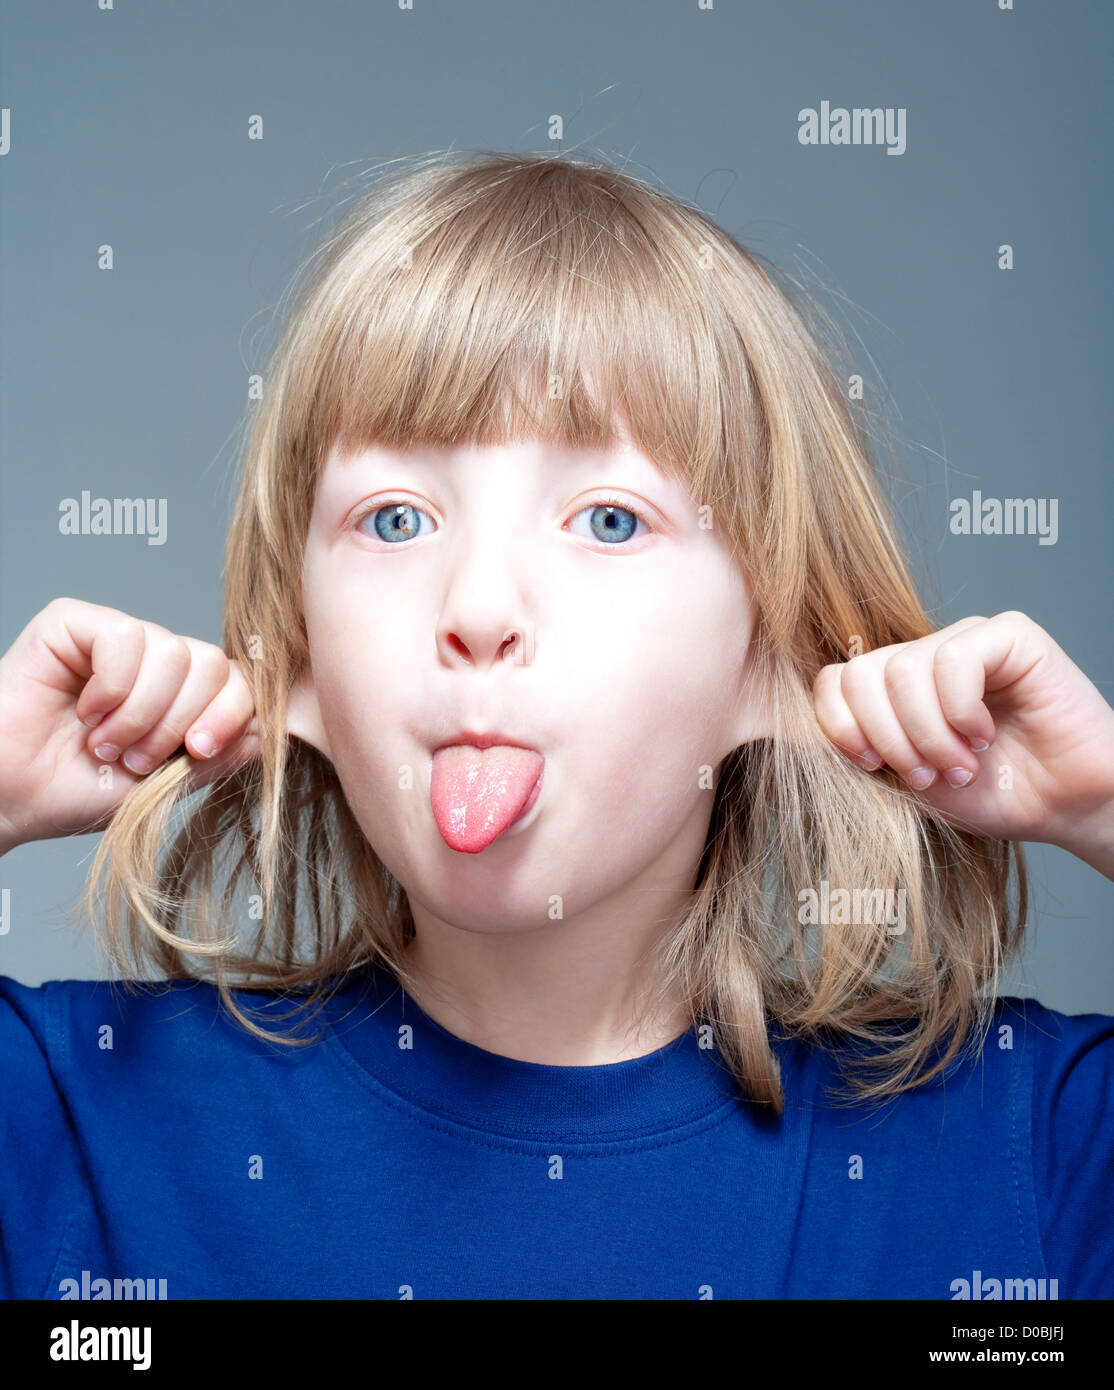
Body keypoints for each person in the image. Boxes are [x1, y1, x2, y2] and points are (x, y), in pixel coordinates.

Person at [1, 150, 1111, 1301]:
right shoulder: (72, 1113)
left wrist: (1100, 803)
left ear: (772, 645)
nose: (477, 608)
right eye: (394, 518)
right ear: (303, 647)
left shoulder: (1031, 1148)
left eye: (609, 521)